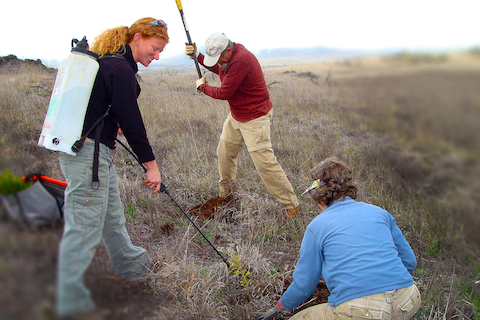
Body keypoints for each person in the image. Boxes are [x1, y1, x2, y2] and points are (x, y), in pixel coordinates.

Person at [56, 17, 168, 320]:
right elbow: (132, 122)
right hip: (87, 157)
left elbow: (105, 109)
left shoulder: (112, 64)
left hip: (93, 153)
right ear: (138, 37)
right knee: (84, 227)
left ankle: (133, 265)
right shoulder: (119, 69)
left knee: (110, 215)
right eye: (154, 48)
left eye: (160, 53)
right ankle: (69, 300)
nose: (155, 57)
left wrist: (109, 127)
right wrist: (152, 167)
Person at [256, 157, 421, 320]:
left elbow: (304, 285)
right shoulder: (380, 213)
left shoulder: (317, 226)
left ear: (319, 197)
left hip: (361, 311)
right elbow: (410, 262)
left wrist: (279, 308)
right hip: (408, 299)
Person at [185, 33, 299, 217]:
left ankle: (291, 205)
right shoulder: (227, 57)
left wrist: (201, 87)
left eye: (220, 58)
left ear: (228, 50)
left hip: (255, 118)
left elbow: (224, 92)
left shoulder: (241, 60)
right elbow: (217, 66)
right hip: (237, 116)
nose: (218, 63)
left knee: (265, 164)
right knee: (224, 153)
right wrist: (197, 56)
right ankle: (226, 197)